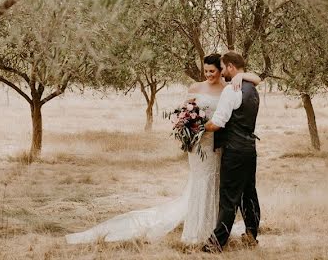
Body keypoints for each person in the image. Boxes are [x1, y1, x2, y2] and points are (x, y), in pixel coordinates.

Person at [64, 53, 261, 245]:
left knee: (218, 185)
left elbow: (250, 84)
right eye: (206, 71)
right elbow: (186, 112)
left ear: (223, 69)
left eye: (213, 71)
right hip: (202, 144)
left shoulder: (230, 87)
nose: (209, 74)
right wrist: (189, 125)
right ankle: (199, 228)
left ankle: (214, 228)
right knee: (203, 182)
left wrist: (240, 76)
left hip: (219, 145)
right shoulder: (199, 87)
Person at [202, 50, 261, 252]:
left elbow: (218, 122)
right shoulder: (252, 88)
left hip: (234, 150)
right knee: (249, 194)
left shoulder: (231, 90)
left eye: (223, 67)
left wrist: (200, 127)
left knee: (228, 197)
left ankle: (216, 244)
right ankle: (252, 235)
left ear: (230, 67)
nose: (223, 72)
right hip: (249, 149)